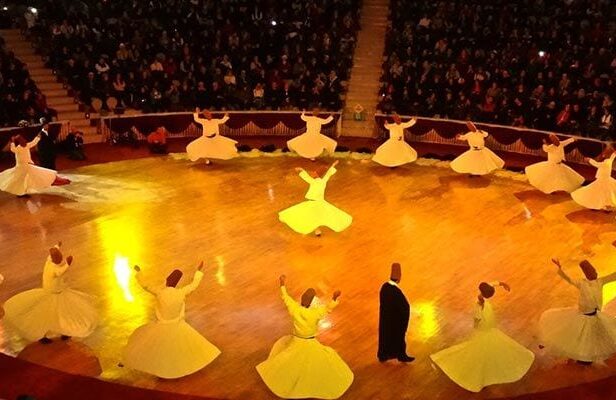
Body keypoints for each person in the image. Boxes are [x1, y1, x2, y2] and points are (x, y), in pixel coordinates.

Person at [256, 275, 353, 399]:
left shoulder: (295, 309)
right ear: (312, 302)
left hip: (296, 341)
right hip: (310, 343)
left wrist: (282, 284)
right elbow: (328, 308)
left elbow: (285, 298)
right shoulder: (315, 313)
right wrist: (334, 298)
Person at [430, 281, 534, 392]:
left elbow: (477, 319)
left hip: (482, 329)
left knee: (479, 350)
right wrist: (501, 283)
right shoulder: (486, 302)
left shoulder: (479, 304)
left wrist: (475, 328)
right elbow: (491, 285)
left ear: (482, 291)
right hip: (489, 326)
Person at [122, 262, 220, 379]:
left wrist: (139, 272)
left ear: (167, 281)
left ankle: (162, 367)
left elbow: (145, 286)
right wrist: (198, 272)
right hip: (177, 325)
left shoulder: (160, 292)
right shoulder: (181, 293)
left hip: (162, 325)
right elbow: (194, 285)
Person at [3, 242, 98, 343]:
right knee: (58, 314)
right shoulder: (54, 269)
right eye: (59, 258)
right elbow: (60, 271)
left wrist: (57, 245)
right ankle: (52, 333)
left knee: (54, 314)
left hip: (52, 291)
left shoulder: (48, 261)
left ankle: (58, 332)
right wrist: (68, 263)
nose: (60, 259)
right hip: (55, 293)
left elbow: (52, 252)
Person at [539, 259, 616, 364]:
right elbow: (569, 279)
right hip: (584, 316)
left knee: (590, 336)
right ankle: (583, 357)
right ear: (586, 274)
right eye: (591, 272)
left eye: (594, 271)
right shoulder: (582, 283)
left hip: (595, 315)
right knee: (583, 337)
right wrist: (560, 269)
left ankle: (586, 356)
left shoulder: (600, 281)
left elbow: (614, 275)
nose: (594, 273)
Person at [278, 160, 352, 236]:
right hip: (316, 202)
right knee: (315, 216)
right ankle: (317, 230)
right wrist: (333, 165)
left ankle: (316, 230)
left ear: (317, 175)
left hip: (315, 203)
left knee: (314, 216)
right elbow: (327, 173)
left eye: (315, 173)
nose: (313, 174)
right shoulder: (321, 181)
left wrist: (301, 170)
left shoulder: (316, 181)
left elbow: (310, 176)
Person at [378, 263, 414, 362]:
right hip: (395, 322)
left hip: (386, 320)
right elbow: (404, 307)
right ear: (399, 278)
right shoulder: (396, 292)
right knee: (398, 338)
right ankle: (401, 355)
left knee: (385, 337)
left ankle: (383, 355)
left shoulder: (384, 287)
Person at [571, 146, 616, 210]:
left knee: (597, 193)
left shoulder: (606, 163)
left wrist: (589, 160)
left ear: (607, 154)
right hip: (605, 180)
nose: (603, 153)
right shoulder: (609, 160)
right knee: (606, 193)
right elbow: (613, 156)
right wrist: (614, 153)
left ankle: (602, 206)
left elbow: (596, 164)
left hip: (602, 180)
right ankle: (606, 206)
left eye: (605, 152)